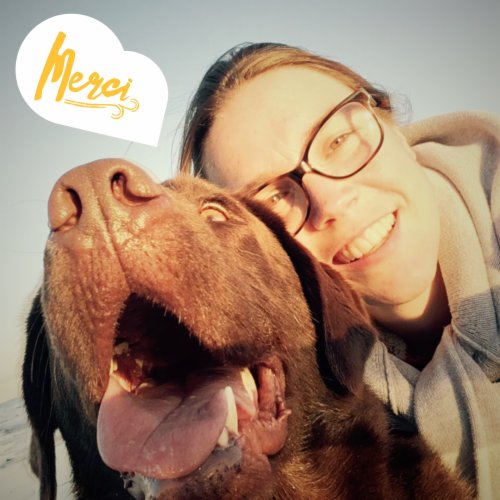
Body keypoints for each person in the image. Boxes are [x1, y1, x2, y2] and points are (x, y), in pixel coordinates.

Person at [178, 43, 500, 498]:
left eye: (338, 141)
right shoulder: (280, 411)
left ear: (392, 126)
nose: (331, 203)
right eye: (272, 197)